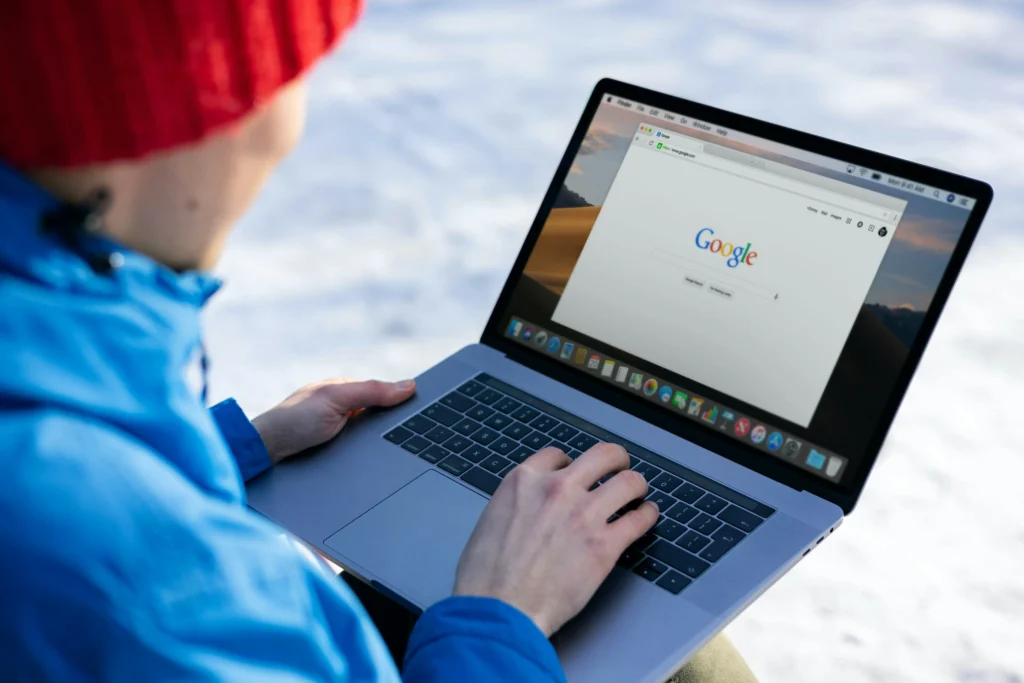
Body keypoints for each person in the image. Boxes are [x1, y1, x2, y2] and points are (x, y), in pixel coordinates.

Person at [0, 1, 757, 681]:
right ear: (163, 126)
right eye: (281, 82)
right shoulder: (144, 589)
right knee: (695, 664)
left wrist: (236, 448)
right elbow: (115, 550)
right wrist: (504, 613)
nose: (288, 130)